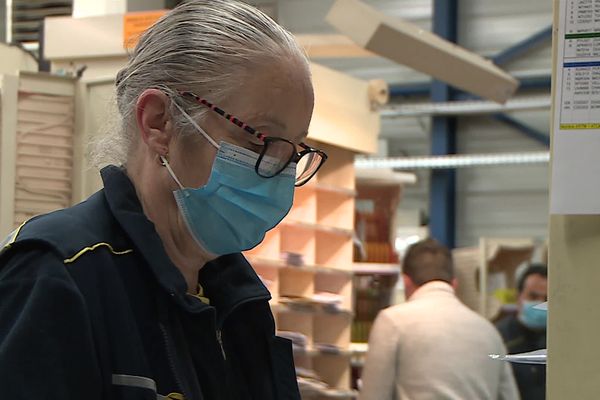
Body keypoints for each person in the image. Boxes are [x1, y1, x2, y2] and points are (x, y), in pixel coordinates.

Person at [0, 1, 326, 399]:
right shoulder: (57, 275)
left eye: (292, 151)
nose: (280, 171)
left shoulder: (238, 298)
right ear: (159, 122)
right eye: (260, 139)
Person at [359, 238, 520, 400]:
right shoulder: (489, 331)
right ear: (454, 284)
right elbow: (509, 396)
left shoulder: (393, 322)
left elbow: (373, 396)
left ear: (406, 281)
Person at [496, 265, 548, 400]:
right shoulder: (499, 337)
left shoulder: (561, 338)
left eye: (547, 298)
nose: (540, 303)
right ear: (518, 297)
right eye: (533, 296)